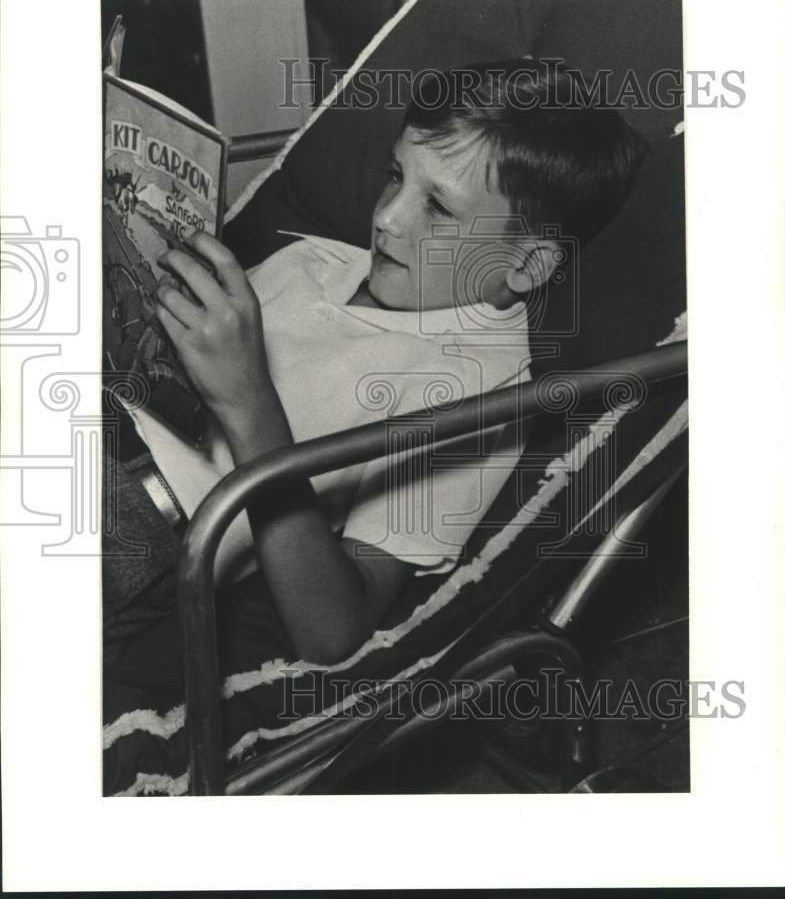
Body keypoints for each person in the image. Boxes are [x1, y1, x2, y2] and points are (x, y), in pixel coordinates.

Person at [103, 60, 645, 793]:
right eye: (395, 176)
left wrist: (248, 400)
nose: (387, 215)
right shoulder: (313, 261)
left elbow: (334, 629)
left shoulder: (477, 393)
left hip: (141, 526)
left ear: (525, 263)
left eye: (439, 209)